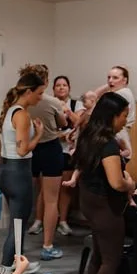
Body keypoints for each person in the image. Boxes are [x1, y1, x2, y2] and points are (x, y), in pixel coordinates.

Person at [74, 92, 135, 274]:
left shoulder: (89, 135)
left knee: (98, 254)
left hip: (88, 201)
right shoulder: (108, 143)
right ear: (112, 116)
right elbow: (116, 183)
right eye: (123, 116)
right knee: (111, 260)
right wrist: (130, 184)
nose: (125, 121)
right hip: (105, 207)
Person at [0, 72, 44, 274]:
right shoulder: (21, 114)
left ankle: (18, 262)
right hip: (19, 172)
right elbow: (23, 150)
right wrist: (39, 134)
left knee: (17, 222)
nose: (41, 97)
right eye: (40, 93)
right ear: (29, 91)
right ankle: (5, 271)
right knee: (18, 225)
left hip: (5, 170)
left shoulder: (6, 111)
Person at [21, 64, 66, 262]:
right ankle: (47, 245)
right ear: (45, 81)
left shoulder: (20, 102)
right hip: (49, 149)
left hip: (28, 150)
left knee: (23, 198)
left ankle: (17, 246)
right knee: (51, 200)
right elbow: (63, 123)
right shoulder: (52, 101)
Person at [53, 75, 83, 236]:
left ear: (69, 88)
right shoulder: (49, 104)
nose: (61, 88)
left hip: (69, 151)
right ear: (53, 89)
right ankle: (42, 220)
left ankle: (63, 221)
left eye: (64, 85)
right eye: (58, 85)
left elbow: (79, 122)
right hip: (52, 148)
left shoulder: (75, 104)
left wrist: (67, 109)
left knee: (66, 187)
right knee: (47, 189)